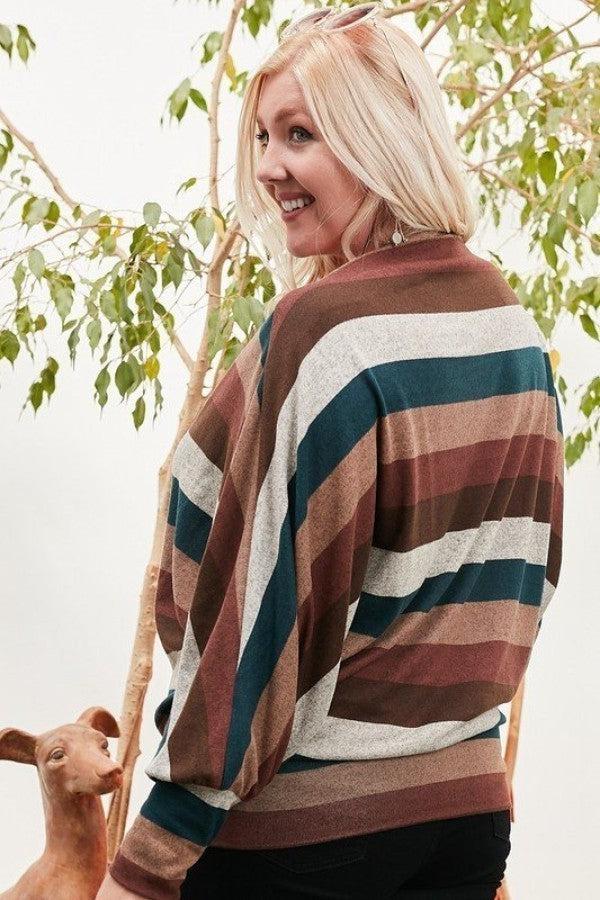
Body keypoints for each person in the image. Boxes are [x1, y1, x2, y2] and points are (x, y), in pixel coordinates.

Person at [98, 4, 564, 898]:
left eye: (301, 134)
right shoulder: (512, 324)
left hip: (305, 837)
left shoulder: (322, 331)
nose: (270, 168)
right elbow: (530, 577)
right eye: (264, 136)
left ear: (377, 137)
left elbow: (257, 624)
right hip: (466, 821)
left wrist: (148, 863)